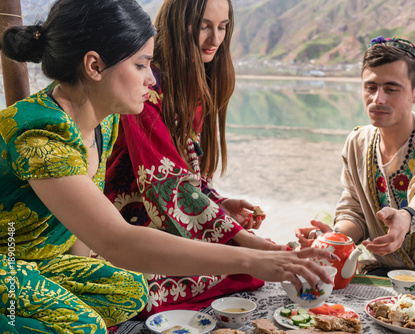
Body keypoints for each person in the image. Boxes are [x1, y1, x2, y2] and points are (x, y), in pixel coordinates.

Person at [0, 0, 336, 333]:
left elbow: (78, 232)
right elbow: (116, 241)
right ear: (94, 66)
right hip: (8, 260)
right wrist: (251, 257)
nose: (150, 79)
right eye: (141, 65)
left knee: (130, 290)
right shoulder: (41, 133)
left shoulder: (105, 121)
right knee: (85, 326)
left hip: (45, 262)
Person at [103, 0, 296, 317]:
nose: (215, 40)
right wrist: (242, 238)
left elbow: (183, 176)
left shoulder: (191, 89)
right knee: (232, 270)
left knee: (242, 270)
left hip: (162, 216)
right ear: (178, 24)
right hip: (122, 223)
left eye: (222, 27)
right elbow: (163, 183)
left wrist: (222, 207)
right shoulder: (142, 88)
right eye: (204, 25)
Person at [295, 36, 415, 290]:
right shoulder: (357, 142)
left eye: (391, 88)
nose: (378, 99)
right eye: (371, 87)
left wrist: (408, 216)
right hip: (387, 275)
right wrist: (331, 239)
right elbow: (354, 211)